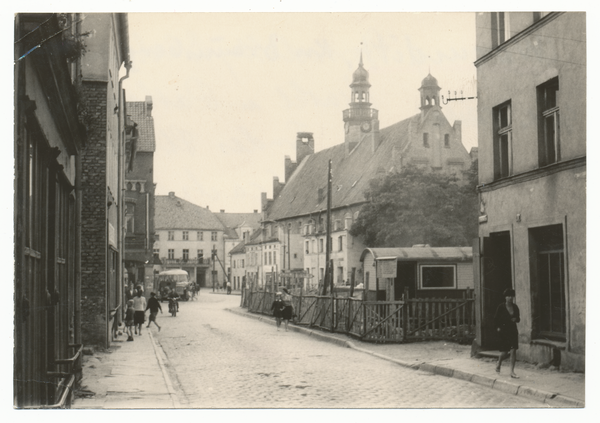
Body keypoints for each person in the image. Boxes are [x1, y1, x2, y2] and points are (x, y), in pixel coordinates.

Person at [495, 288, 521, 378]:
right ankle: (499, 362)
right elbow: (496, 319)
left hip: (513, 331)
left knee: (513, 350)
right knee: (505, 353)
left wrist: (516, 319)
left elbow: (518, 319)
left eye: (511, 296)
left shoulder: (515, 307)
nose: (510, 298)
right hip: (504, 331)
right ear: (505, 297)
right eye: (508, 296)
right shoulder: (501, 307)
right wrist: (498, 328)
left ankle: (512, 372)